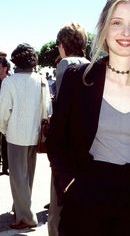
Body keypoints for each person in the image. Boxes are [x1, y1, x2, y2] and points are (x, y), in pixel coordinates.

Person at [47, 0, 130, 236]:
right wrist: (69, 184)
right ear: (104, 27)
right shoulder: (78, 79)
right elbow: (57, 140)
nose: (126, 32)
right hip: (86, 195)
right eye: (117, 22)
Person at [0, 43, 52, 230]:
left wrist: (3, 129)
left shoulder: (10, 82)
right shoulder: (42, 81)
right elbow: (47, 110)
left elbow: (3, 111)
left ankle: (26, 217)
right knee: (28, 176)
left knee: (17, 177)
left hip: (15, 134)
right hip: (35, 134)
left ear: (15, 60)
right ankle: (20, 207)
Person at [47, 22, 90, 236]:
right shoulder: (91, 64)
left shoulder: (65, 64)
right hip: (86, 145)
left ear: (63, 44)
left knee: (57, 206)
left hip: (67, 144)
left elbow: (63, 107)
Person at [0, 57, 10, 175]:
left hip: (6, 117)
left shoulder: (9, 82)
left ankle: (6, 167)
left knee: (5, 143)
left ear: (5, 68)